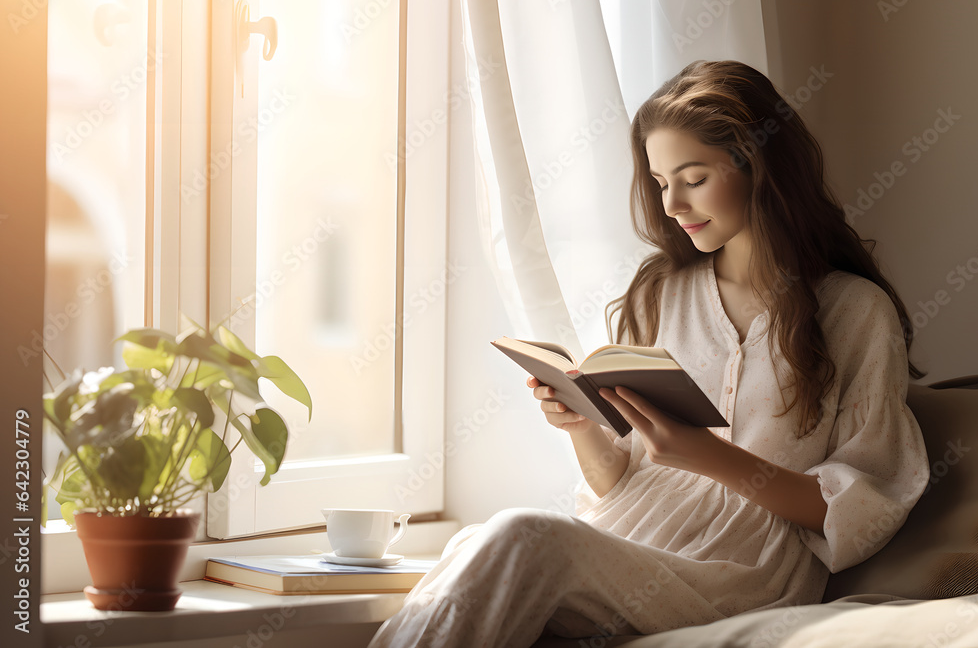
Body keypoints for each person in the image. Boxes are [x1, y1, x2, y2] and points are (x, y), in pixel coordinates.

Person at [367, 60, 930, 647]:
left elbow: (863, 509)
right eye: (662, 182)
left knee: (521, 536)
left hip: (742, 570)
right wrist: (583, 426)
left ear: (759, 167)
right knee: (480, 542)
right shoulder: (663, 293)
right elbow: (619, 480)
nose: (672, 205)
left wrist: (707, 456)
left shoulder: (856, 312)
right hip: (632, 538)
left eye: (693, 177)